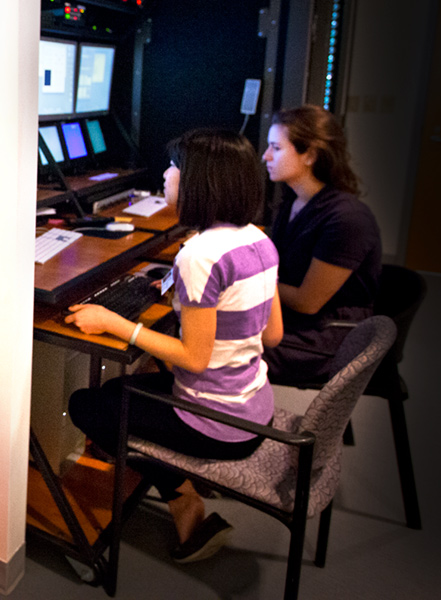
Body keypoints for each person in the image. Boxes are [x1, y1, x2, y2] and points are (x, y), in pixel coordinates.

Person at [65, 129, 283, 564]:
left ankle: (182, 498)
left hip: (218, 423)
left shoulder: (199, 255)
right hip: (256, 408)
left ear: (199, 183)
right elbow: (272, 335)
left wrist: (113, 321)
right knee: (118, 393)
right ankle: (175, 482)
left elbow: (195, 358)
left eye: (175, 168)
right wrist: (186, 298)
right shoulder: (259, 238)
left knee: (87, 406)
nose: (167, 174)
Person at [260, 105, 382, 384]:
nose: (265, 156)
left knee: (222, 349)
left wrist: (246, 280)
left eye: (275, 148)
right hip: (297, 323)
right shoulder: (293, 201)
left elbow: (307, 302)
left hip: (325, 339)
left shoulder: (347, 219)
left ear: (311, 155)